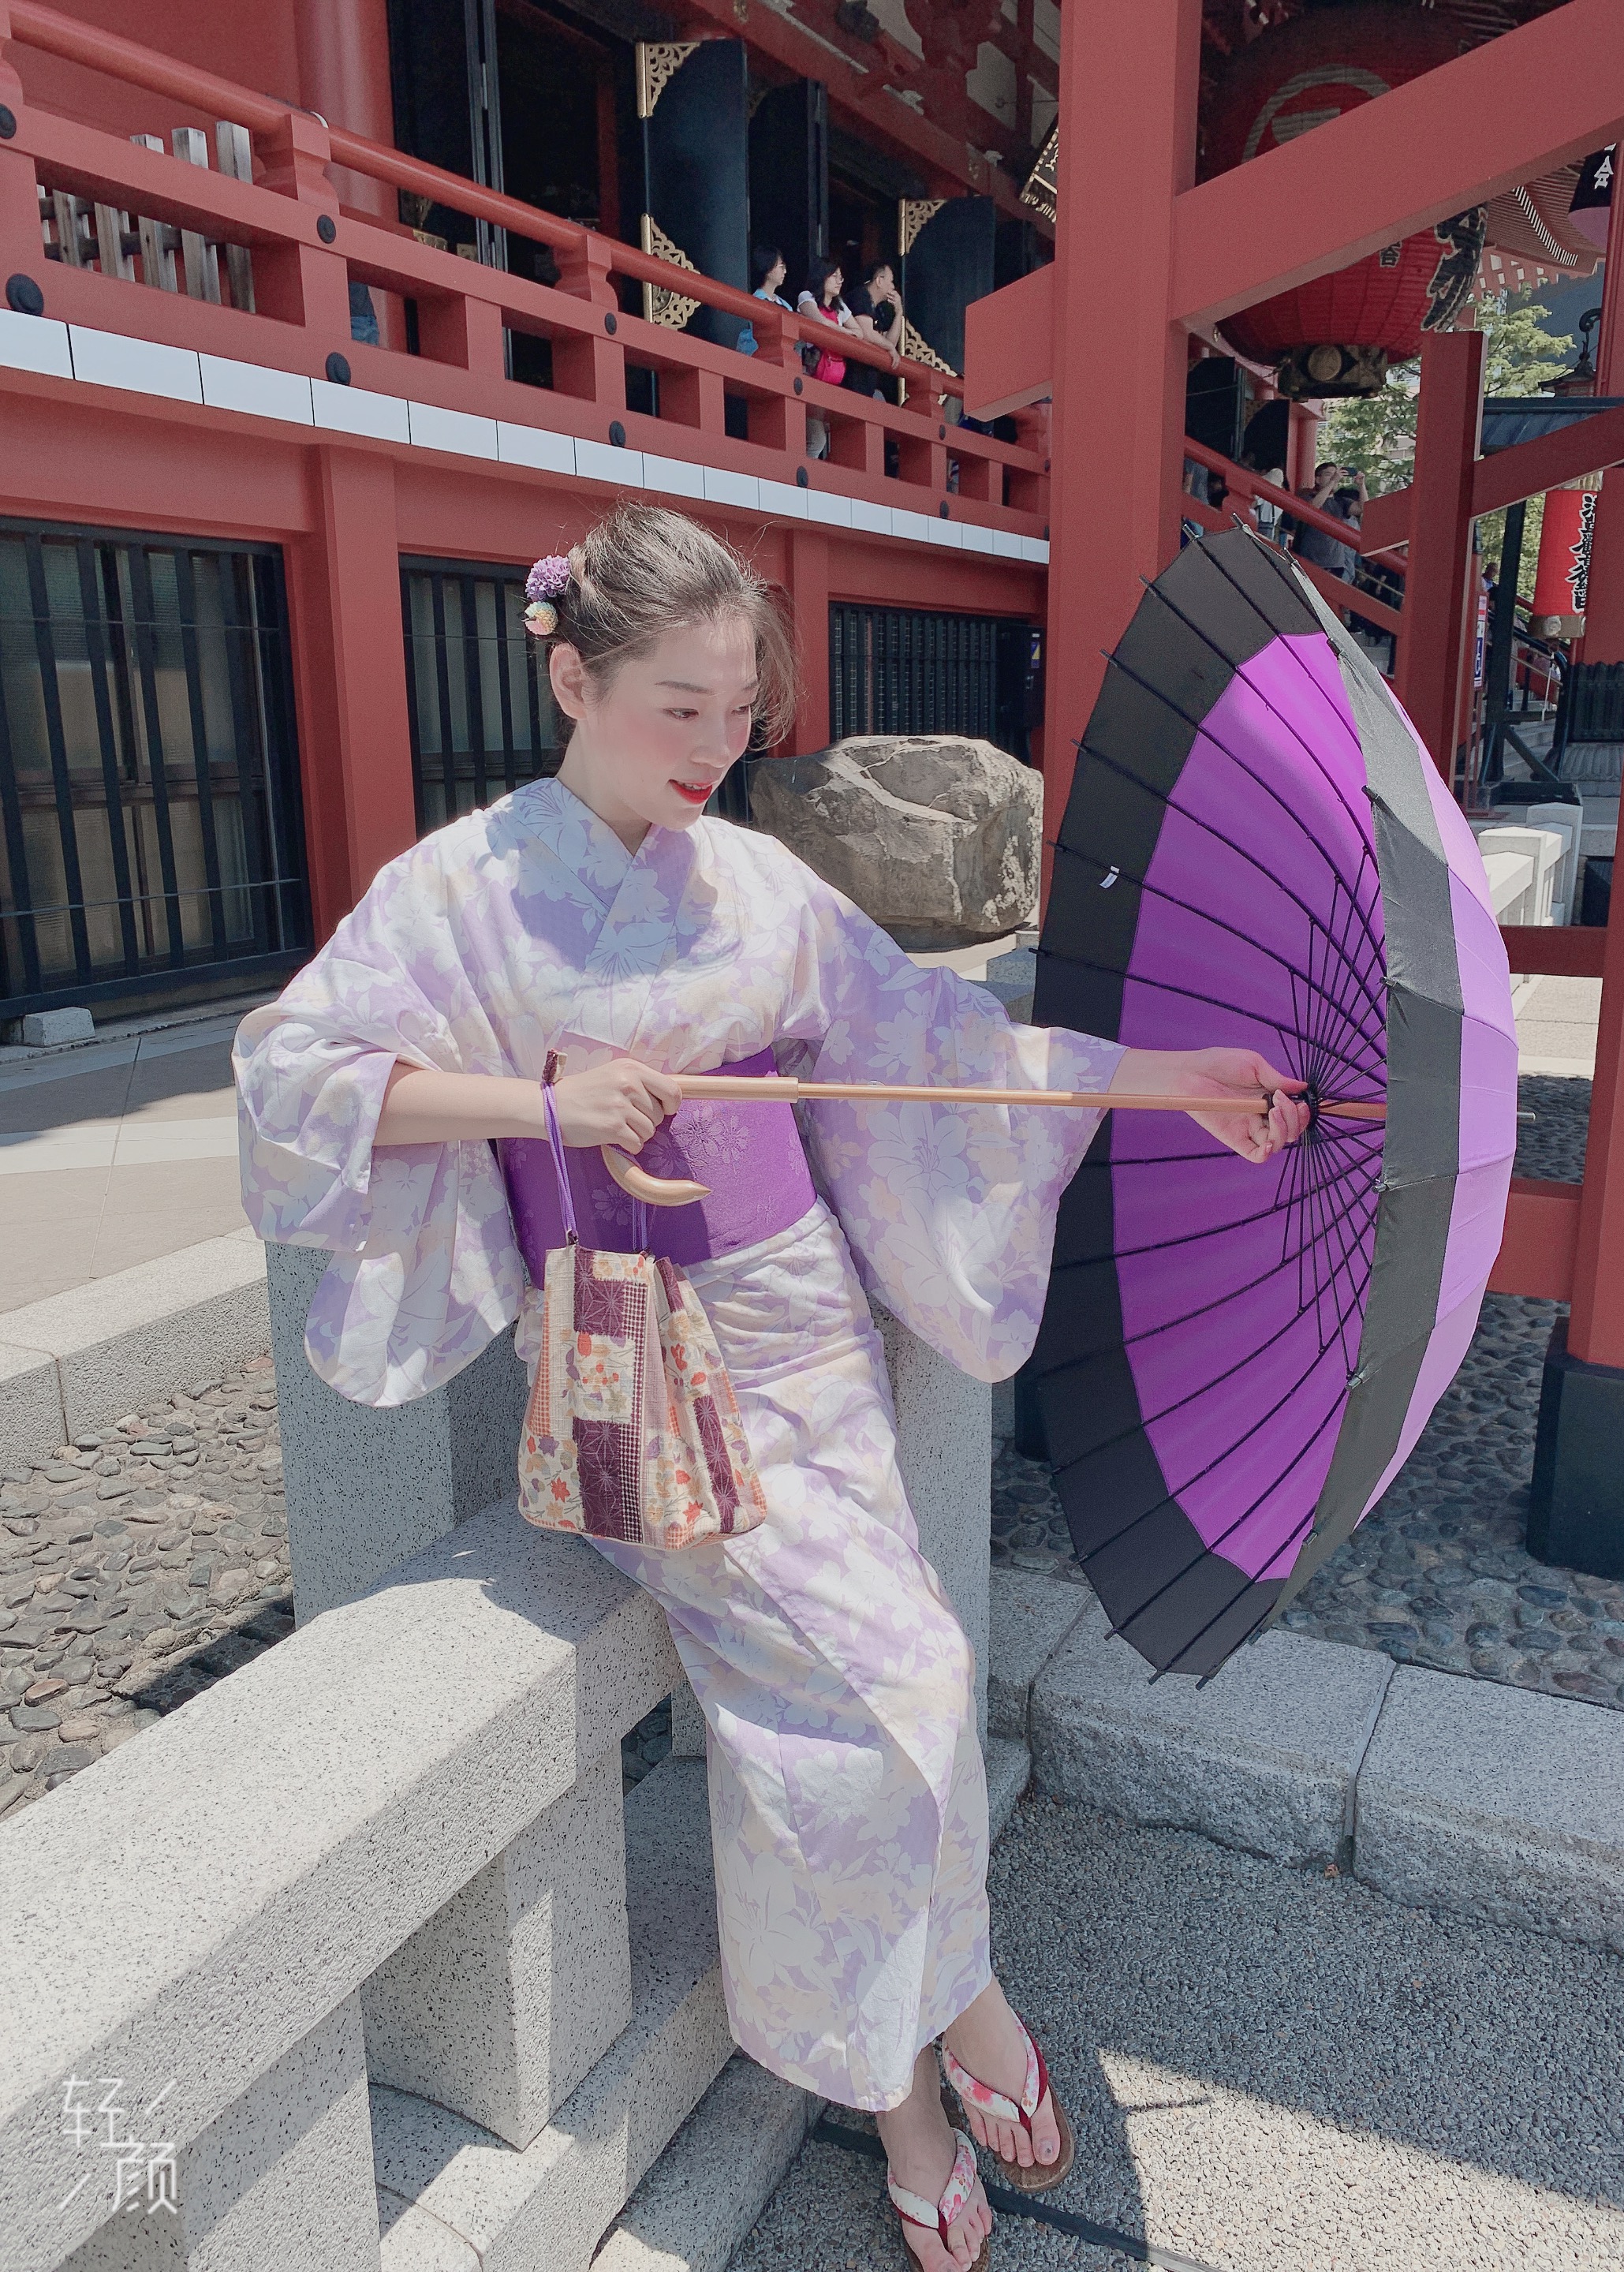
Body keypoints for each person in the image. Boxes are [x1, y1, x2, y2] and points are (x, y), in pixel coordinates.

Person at [233, 505, 1306, 2272]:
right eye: (678, 708)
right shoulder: (462, 888)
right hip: (642, 1360)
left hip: (803, 1332)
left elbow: (932, 1050)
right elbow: (290, 1078)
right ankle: (944, 2040)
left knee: (868, 1701)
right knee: (875, 1699)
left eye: (741, 712)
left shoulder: (755, 884)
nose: (717, 752)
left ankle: (904, 2068)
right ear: (570, 677)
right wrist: (547, 1108)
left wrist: (1156, 1081)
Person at [794, 257, 855, 458]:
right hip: (810, 374)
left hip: (831, 378)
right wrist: (844, 332)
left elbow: (860, 333)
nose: (840, 280)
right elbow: (819, 322)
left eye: (841, 277)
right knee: (817, 439)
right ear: (822, 277)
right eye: (834, 276)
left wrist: (842, 331)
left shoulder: (839, 306)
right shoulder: (807, 297)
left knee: (822, 437)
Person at [1294, 462, 1366, 581]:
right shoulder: (1307, 497)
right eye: (1328, 475)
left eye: (1335, 475)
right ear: (1317, 479)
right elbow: (1312, 509)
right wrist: (1333, 481)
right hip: (1309, 559)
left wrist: (1361, 485)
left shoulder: (1341, 501)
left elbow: (1362, 508)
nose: (1334, 477)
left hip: (1335, 563)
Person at [844, 258, 904, 402]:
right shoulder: (860, 296)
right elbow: (866, 333)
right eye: (890, 281)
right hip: (851, 379)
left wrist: (899, 313)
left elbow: (888, 341)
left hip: (866, 383)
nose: (893, 287)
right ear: (879, 281)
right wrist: (890, 348)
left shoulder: (878, 309)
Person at [737, 244, 790, 357]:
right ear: (769, 268)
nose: (785, 271)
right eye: (781, 266)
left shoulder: (786, 305)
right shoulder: (756, 301)